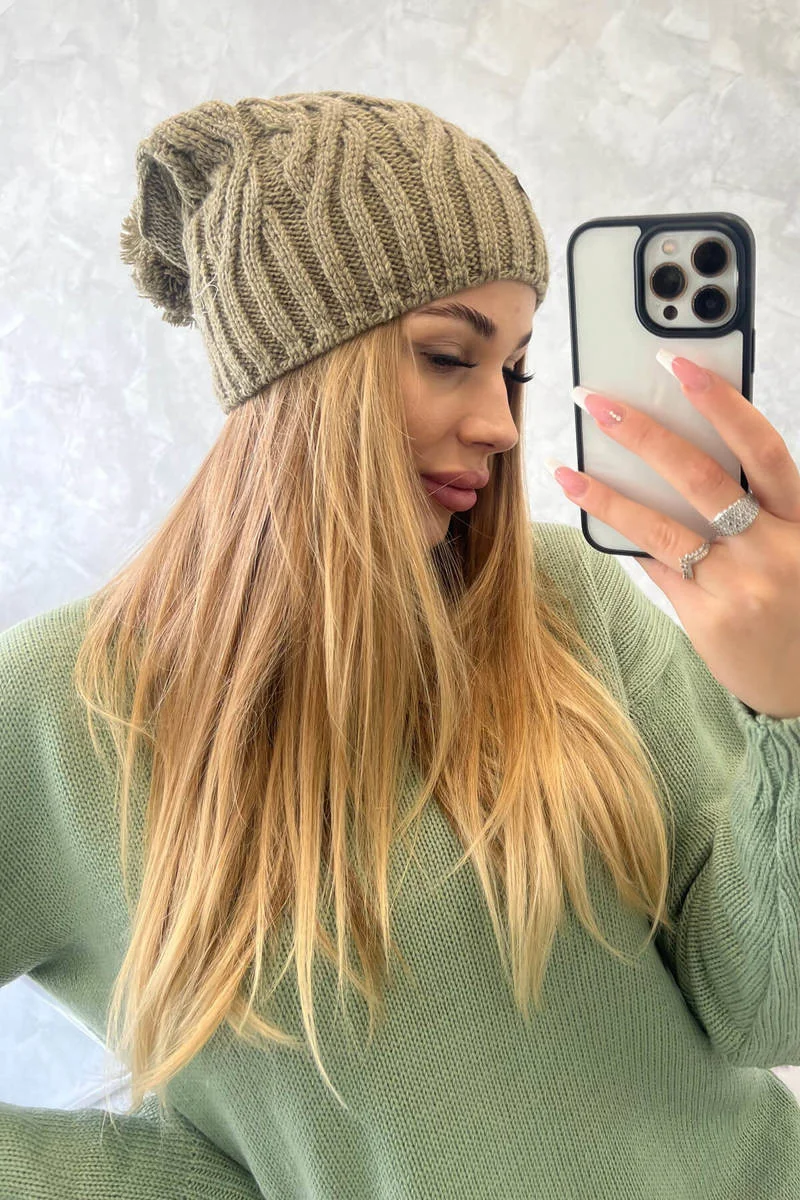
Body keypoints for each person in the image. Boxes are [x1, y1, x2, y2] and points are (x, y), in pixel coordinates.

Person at [2, 90, 800, 1200]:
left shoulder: (564, 602)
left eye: (514, 368)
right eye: (446, 355)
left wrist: (789, 710)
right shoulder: (63, 709)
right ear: (294, 371)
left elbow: (766, 1012)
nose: (501, 424)